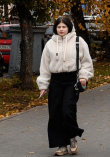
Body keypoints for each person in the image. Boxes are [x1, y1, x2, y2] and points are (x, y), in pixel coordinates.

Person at [37, 17, 94, 156]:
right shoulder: (50, 44)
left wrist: (83, 76)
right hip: (56, 81)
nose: (61, 29)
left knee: (67, 110)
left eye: (64, 27)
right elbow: (44, 66)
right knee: (55, 113)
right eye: (58, 27)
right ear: (55, 28)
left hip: (72, 80)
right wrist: (43, 85)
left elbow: (86, 61)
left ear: (69, 27)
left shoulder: (78, 41)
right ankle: (61, 145)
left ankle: (72, 137)